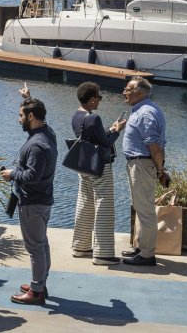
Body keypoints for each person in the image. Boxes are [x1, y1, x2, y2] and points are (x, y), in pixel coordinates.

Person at [3, 95, 57, 305]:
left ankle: (36, 291)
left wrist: (12, 174)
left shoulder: (36, 145)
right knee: (41, 243)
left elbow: (32, 176)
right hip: (43, 200)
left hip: (32, 203)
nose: (18, 119)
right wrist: (28, 98)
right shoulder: (47, 132)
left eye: (21, 115)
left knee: (35, 247)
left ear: (31, 116)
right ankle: (40, 282)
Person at [69, 82, 122, 266]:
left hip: (84, 165)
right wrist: (117, 131)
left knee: (84, 204)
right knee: (103, 207)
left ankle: (80, 246)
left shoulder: (76, 116)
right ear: (91, 99)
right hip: (100, 166)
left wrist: (110, 131)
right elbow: (105, 143)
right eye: (99, 97)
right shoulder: (94, 117)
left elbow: (92, 137)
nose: (100, 100)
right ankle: (103, 254)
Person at [119, 77, 167, 267]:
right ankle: (141, 247)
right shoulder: (143, 109)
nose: (124, 92)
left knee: (145, 211)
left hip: (141, 164)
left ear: (140, 93)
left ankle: (147, 254)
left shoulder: (145, 113)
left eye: (128, 89)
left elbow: (154, 146)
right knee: (141, 207)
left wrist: (161, 170)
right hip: (139, 164)